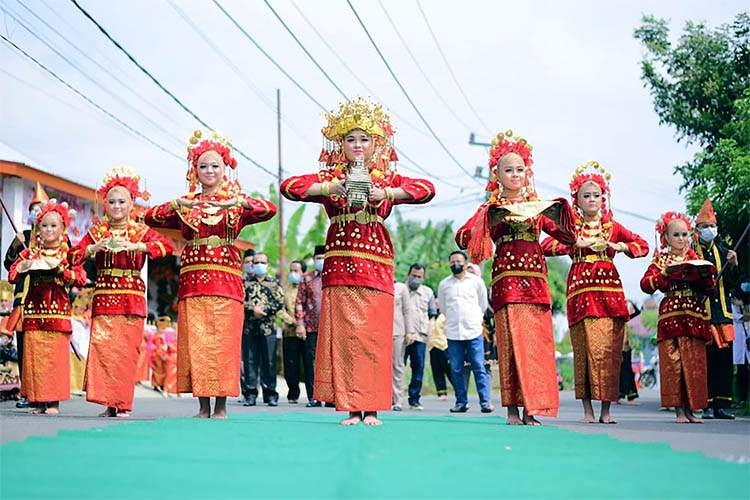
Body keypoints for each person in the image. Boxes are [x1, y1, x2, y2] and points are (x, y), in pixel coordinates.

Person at [280, 98, 435, 425]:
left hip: (377, 265)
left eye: (364, 138)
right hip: (340, 266)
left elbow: (426, 189)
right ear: (341, 144)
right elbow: (289, 187)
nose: (357, 145)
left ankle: (373, 409)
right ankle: (351, 408)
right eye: (350, 139)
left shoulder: (386, 179)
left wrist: (388, 195)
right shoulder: (330, 177)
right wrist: (329, 187)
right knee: (347, 340)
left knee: (374, 338)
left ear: (376, 143)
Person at [145, 129, 276, 418]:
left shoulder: (234, 205)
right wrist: (180, 204)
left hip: (227, 284)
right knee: (198, 343)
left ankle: (221, 406)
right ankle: (202, 406)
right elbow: (149, 216)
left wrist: (238, 202)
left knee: (223, 344)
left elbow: (270, 210)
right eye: (203, 165)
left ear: (224, 169)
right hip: (193, 283)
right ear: (195, 170)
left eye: (215, 165)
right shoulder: (186, 205)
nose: (209, 170)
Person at [456, 130, 576, 425]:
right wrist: (489, 221)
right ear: (497, 174)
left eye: (520, 169)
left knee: (536, 346)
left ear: (527, 173)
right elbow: (462, 237)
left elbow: (567, 236)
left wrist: (561, 211)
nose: (515, 174)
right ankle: (511, 409)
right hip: (506, 284)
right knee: (509, 346)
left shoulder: (536, 208)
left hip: (535, 283)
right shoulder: (489, 208)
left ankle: (532, 409)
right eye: (508, 170)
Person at [541, 160, 649, 423]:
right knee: (584, 350)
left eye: (596, 195)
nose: (591, 199)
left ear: (604, 198)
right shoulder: (573, 228)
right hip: (580, 293)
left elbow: (643, 246)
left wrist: (619, 246)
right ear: (576, 199)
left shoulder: (613, 227)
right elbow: (546, 245)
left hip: (609, 293)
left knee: (610, 353)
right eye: (585, 195)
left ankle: (606, 411)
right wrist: (574, 243)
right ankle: (587, 411)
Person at [70, 167, 174, 417]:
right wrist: (93, 248)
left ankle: (123, 404)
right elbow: (71, 257)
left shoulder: (139, 231)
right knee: (105, 351)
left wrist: (138, 246)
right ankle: (109, 403)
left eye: (122, 201)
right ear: (105, 204)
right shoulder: (97, 232)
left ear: (131, 204)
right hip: (104, 295)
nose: (116, 206)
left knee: (126, 353)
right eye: (112, 201)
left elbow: (167, 247)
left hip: (131, 296)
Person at [8, 200, 87, 414]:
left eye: (53, 225)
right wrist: (23, 268)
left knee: (55, 357)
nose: (49, 230)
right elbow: (12, 274)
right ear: (38, 229)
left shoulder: (67, 255)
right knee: (35, 357)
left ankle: (54, 402)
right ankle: (39, 400)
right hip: (33, 311)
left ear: (62, 228)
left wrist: (63, 271)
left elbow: (80, 277)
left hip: (58, 311)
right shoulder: (30, 253)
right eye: (44, 225)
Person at [640, 211, 716, 423]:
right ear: (666, 238)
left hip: (693, 316)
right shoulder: (660, 261)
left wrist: (704, 276)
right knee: (674, 364)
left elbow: (710, 288)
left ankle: (692, 410)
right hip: (671, 316)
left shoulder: (696, 259)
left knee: (694, 364)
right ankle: (679, 412)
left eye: (684, 234)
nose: (681, 239)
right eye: (676, 235)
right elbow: (645, 285)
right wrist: (663, 274)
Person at [4, 181, 49, 409]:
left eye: (41, 209)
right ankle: (26, 393)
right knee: (24, 349)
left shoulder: (57, 237)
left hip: (48, 302)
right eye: (34, 210)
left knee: (45, 349)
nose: (38, 214)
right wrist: (15, 246)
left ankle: (47, 394)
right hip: (24, 300)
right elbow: (8, 265)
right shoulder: (25, 236)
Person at [693, 198, 738, 420]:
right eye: (704, 227)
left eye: (712, 226)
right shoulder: (691, 253)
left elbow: (730, 284)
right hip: (703, 315)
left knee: (724, 361)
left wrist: (733, 267)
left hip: (724, 316)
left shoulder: (724, 252)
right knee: (706, 361)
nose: (709, 230)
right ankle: (706, 404)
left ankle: (722, 404)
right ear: (697, 230)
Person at [438, 250, 492, 413]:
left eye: (458, 261)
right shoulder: (444, 284)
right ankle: (461, 402)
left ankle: (484, 401)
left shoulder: (476, 282)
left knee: (478, 366)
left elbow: (482, 305)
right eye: (452, 261)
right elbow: (444, 308)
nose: (455, 264)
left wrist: (474, 319)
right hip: (454, 332)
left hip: (473, 330)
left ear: (466, 263)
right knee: (456, 368)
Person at [241, 252, 284, 406]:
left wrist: (264, 309)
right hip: (249, 329)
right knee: (250, 362)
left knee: (269, 361)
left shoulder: (274, 283)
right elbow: (240, 301)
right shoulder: (245, 283)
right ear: (252, 265)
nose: (258, 265)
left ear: (268, 266)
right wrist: (253, 310)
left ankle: (270, 394)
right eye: (256, 262)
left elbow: (280, 301)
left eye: (262, 262)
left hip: (268, 329)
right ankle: (250, 394)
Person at [295, 245, 326, 407]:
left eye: (323, 258)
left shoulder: (334, 277)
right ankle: (314, 397)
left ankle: (330, 397)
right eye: (318, 258)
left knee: (330, 361)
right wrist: (300, 324)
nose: (321, 261)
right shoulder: (306, 278)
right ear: (314, 260)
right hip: (311, 327)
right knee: (311, 361)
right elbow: (299, 301)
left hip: (331, 327)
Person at [403, 263, 435, 410]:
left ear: (424, 277)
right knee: (397, 367)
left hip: (420, 336)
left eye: (419, 277)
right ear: (408, 275)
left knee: (418, 368)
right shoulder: (400, 290)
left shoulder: (428, 292)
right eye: (413, 276)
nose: (416, 279)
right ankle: (393, 398)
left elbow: (431, 313)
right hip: (401, 336)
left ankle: (414, 399)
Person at [279, 259, 306, 404]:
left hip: (306, 332)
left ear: (303, 272)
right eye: (291, 270)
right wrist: (293, 321)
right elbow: (280, 309)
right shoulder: (285, 290)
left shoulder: (308, 288)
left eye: (296, 271)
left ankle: (312, 395)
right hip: (289, 332)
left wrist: (303, 322)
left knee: (307, 363)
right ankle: (293, 393)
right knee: (291, 364)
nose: (293, 273)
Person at [392, 279, 415, 411]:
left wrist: (409, 331)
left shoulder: (401, 288)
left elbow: (407, 310)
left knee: (397, 365)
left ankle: (398, 400)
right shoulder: (377, 284)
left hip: (397, 332)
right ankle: (383, 399)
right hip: (378, 332)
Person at [427, 298, 452, 400]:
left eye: (438, 303)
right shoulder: (431, 317)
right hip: (433, 346)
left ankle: (460, 389)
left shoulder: (445, 316)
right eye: (435, 303)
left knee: (449, 369)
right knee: (436, 370)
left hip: (444, 345)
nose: (436, 305)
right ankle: (441, 392)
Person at [618, 301, 641, 405]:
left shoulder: (624, 318)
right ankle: (629, 397)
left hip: (626, 348)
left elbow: (637, 312)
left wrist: (632, 302)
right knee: (625, 373)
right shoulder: (618, 319)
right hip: (620, 349)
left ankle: (620, 395)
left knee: (624, 372)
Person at [732, 276, 749, 407]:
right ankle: (741, 398)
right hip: (739, 338)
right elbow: (736, 317)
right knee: (741, 370)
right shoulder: (734, 299)